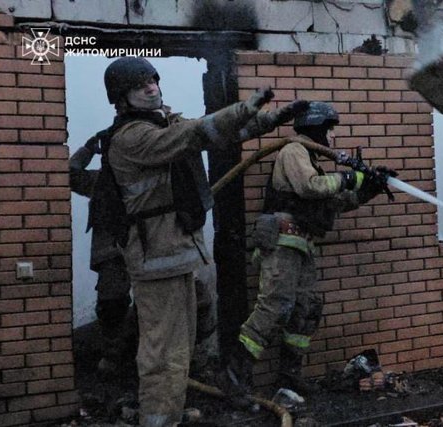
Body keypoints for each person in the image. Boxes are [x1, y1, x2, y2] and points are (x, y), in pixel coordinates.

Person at [101, 56, 308, 427]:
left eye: (152, 80)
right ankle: (158, 420)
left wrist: (271, 119)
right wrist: (245, 107)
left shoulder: (165, 124)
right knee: (163, 350)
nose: (150, 87)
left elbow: (219, 135)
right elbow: (196, 134)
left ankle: (170, 410)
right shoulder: (132, 137)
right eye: (139, 86)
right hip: (155, 257)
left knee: (181, 343)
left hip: (176, 252)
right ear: (121, 98)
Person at [237, 101, 394, 395]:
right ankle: (236, 376)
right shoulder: (294, 150)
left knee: (306, 308)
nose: (333, 136)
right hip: (283, 242)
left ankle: (289, 375)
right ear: (316, 127)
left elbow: (333, 203)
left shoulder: (311, 160)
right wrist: (349, 177)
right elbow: (310, 187)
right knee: (275, 306)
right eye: (330, 129)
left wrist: (368, 189)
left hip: (303, 245)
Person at [69, 137, 136, 376]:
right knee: (111, 306)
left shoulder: (143, 176)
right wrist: (87, 149)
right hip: (112, 254)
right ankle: (114, 358)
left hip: (144, 251)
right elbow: (70, 175)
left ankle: (138, 356)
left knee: (153, 304)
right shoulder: (101, 181)